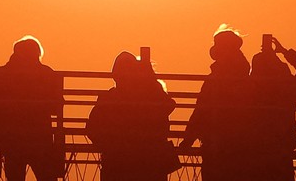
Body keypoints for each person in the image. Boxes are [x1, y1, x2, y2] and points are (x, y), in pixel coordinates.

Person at [0, 37, 63, 181]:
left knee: (15, 176)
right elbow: (56, 106)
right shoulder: (47, 74)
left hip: (11, 137)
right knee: (47, 176)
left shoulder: (1, 74)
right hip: (40, 137)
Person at [87, 51, 179, 181]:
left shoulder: (108, 98)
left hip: (116, 164)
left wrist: (109, 147)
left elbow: (91, 129)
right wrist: (151, 79)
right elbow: (168, 105)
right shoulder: (149, 97)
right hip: (149, 164)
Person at [180, 27, 255, 181]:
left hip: (216, 145)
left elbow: (201, 110)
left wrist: (188, 140)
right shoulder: (246, 78)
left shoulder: (216, 79)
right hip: (242, 145)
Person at [248, 35, 296, 181]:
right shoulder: (288, 88)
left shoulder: (249, 89)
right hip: (282, 144)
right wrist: (284, 51)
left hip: (254, 145)